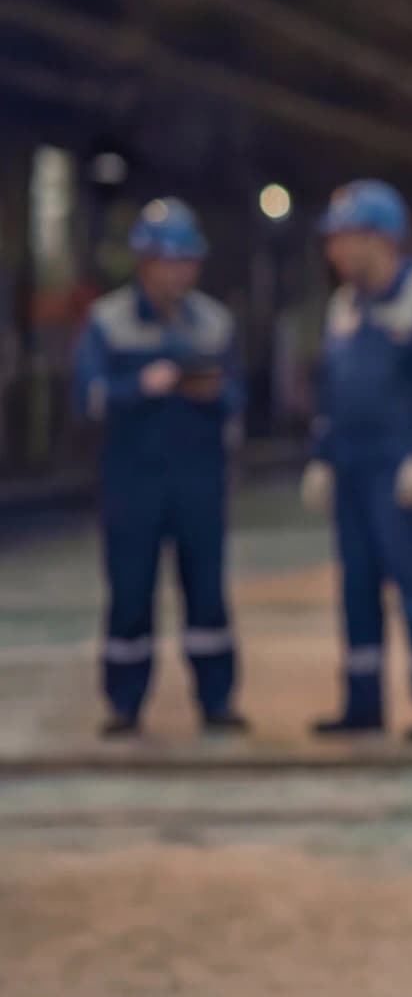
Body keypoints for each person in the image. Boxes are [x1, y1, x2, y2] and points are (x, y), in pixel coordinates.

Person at [302, 181, 412, 740]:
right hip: (352, 465)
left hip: (402, 470)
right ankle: (362, 704)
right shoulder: (343, 308)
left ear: (379, 240)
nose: (334, 253)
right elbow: (331, 388)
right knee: (357, 586)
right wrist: (323, 457)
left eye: (344, 239)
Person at [73, 197, 245, 736]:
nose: (178, 273)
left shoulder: (214, 324)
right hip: (133, 482)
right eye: (167, 261)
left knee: (208, 594)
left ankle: (216, 701)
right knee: (129, 593)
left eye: (186, 262)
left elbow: (239, 395)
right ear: (144, 263)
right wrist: (139, 388)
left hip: (198, 479)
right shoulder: (108, 322)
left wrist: (210, 392)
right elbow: (89, 397)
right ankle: (124, 703)